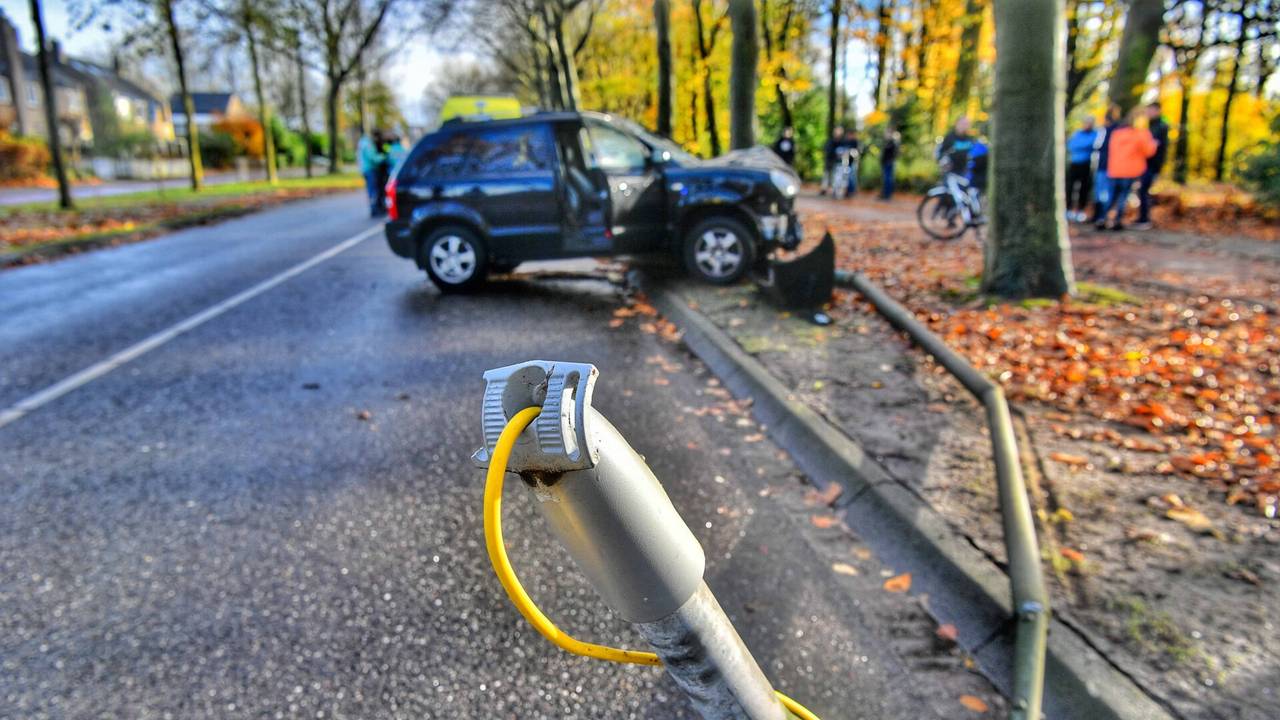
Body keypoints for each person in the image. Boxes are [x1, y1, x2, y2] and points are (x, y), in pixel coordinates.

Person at [1097, 110, 1157, 231]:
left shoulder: (1117, 134)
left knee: (1112, 196)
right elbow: (1149, 151)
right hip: (1130, 170)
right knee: (1123, 196)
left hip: (1114, 169)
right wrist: (1154, 144)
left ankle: (1103, 218)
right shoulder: (1140, 134)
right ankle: (1117, 220)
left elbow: (1111, 151)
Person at [1133, 102, 1169, 230]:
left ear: (1157, 110)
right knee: (1141, 190)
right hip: (1145, 164)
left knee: (1143, 190)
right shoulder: (1151, 125)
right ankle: (1142, 217)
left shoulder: (1161, 126)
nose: (1148, 113)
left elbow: (1154, 146)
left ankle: (1145, 219)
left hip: (1152, 165)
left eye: (1150, 110)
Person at [1089, 105, 1122, 226]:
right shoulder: (1108, 130)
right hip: (1105, 165)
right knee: (1102, 191)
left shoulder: (1109, 131)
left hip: (1108, 166)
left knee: (1104, 192)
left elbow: (1099, 146)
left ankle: (1101, 216)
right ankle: (1099, 216)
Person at [1065, 117, 1098, 222]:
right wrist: (1083, 146)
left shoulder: (1095, 134)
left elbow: (1091, 144)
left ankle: (1080, 210)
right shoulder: (1077, 133)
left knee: (1084, 188)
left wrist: (1081, 146)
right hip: (1074, 163)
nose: (1087, 125)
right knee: (1070, 186)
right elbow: (1071, 145)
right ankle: (1068, 209)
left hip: (1086, 164)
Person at [357, 129, 384, 217]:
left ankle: (374, 208)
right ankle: (374, 209)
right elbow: (373, 158)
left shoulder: (362, 142)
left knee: (371, 189)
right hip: (370, 169)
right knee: (373, 190)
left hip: (365, 169)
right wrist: (383, 157)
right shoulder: (368, 143)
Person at [821, 126, 846, 195]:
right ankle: (824, 189)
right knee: (827, 175)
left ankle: (834, 190)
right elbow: (827, 150)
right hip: (829, 161)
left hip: (838, 162)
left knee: (836, 176)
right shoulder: (830, 141)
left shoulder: (843, 142)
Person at [879, 128, 899, 200]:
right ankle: (885, 194)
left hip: (888, 163)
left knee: (888, 179)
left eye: (887, 133)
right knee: (886, 179)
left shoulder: (892, 142)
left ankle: (887, 195)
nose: (885, 135)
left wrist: (889, 161)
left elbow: (894, 153)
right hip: (886, 163)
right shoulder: (888, 142)